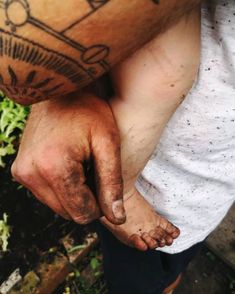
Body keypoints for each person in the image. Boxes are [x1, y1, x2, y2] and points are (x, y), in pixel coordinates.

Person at [1, 0, 235, 293]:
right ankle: (118, 192)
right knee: (164, 72)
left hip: (211, 193)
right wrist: (67, 97)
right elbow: (17, 63)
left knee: (174, 265)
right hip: (151, 186)